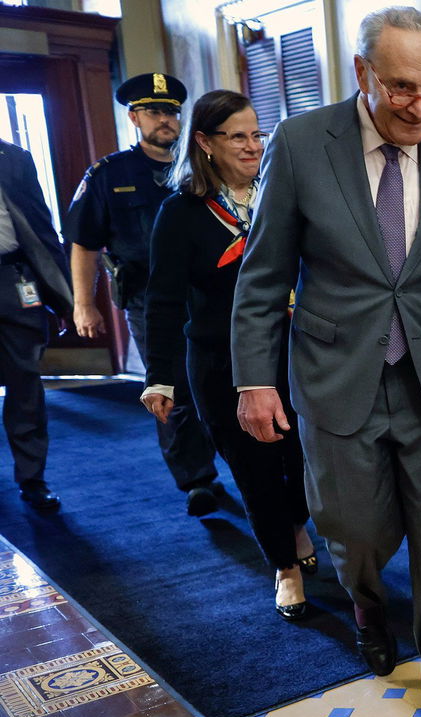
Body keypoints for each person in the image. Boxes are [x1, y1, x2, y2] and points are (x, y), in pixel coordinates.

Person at [231, 6, 421, 717]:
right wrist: (253, 379)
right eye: (402, 89)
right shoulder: (300, 145)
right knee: (355, 530)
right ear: (363, 74)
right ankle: (365, 601)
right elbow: (262, 276)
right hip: (336, 375)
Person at [140, 90, 315, 621]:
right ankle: (284, 566)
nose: (252, 146)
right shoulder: (181, 212)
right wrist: (160, 377)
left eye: (257, 135)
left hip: (295, 354)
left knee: (304, 460)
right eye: (237, 136)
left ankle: (296, 519)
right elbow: (164, 301)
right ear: (204, 143)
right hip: (223, 363)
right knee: (255, 465)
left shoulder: (282, 194)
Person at [63, 73, 220, 517]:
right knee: (171, 384)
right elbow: (84, 242)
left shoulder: (201, 165)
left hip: (206, 292)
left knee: (219, 379)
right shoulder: (109, 175)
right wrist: (83, 301)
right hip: (148, 299)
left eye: (171, 111)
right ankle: (197, 480)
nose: (165, 120)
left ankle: (230, 465)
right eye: (154, 111)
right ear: (134, 118)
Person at [0, 141, 73, 510]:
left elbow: (41, 227)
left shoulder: (13, 157)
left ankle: (32, 478)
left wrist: (62, 295)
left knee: (25, 381)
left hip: (13, 279)